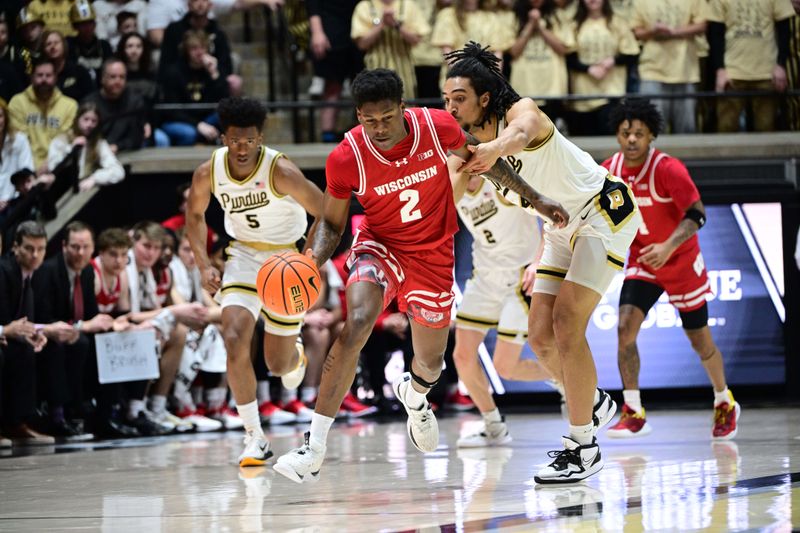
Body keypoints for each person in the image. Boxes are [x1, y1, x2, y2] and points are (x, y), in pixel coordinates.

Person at [273, 68, 567, 483]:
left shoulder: (438, 126)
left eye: (386, 118)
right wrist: (309, 259)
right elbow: (331, 224)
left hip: (432, 255)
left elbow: (485, 161)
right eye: (368, 120)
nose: (378, 128)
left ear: (403, 109)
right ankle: (314, 447)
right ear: (358, 115)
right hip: (380, 245)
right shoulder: (346, 157)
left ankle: (416, 396)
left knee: (430, 364)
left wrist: (535, 198)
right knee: (356, 323)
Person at [442, 42, 641, 483]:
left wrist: (495, 148)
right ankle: (595, 404)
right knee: (540, 335)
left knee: (568, 323)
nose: (450, 107)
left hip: (601, 211)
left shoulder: (521, 111)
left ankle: (582, 446)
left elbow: (521, 135)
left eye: (459, 99)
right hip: (560, 223)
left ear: (485, 98)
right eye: (446, 99)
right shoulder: (470, 142)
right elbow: (460, 188)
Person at [186, 97, 325, 466]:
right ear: (223, 139)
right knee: (233, 335)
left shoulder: (281, 170)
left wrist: (307, 259)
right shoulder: (208, 172)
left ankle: (294, 353)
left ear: (260, 138)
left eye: (250, 141)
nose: (242, 148)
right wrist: (203, 266)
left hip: (284, 258)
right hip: (244, 257)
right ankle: (255, 437)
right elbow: (195, 216)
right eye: (235, 140)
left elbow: (325, 211)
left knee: (278, 367)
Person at [601, 98, 740, 440]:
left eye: (639, 133)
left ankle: (724, 400)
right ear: (618, 136)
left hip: (679, 259)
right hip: (644, 260)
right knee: (624, 329)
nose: (632, 139)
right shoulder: (609, 170)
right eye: (625, 133)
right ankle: (633, 411)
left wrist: (667, 247)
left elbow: (697, 215)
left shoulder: (668, 169)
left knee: (700, 341)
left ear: (651, 137)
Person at [451, 173, 555, 448]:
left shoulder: (500, 180)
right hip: (484, 279)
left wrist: (539, 261)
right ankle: (493, 425)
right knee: (462, 355)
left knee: (505, 367)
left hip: (519, 278)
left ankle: (565, 375)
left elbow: (549, 213)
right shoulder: (454, 189)